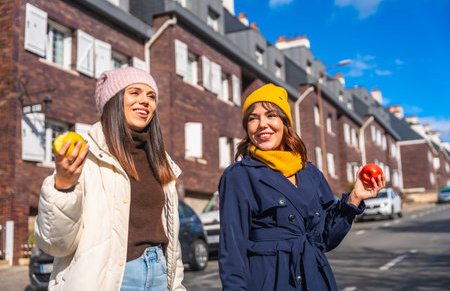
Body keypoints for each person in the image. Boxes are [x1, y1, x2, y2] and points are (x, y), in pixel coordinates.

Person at [218, 83, 385, 291]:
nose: (262, 124)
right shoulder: (239, 176)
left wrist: (354, 199)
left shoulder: (310, 173)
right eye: (253, 118)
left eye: (271, 115)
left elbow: (325, 239)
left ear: (285, 122)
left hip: (315, 280)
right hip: (268, 283)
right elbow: (232, 250)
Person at [35, 67, 185, 291]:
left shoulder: (161, 162)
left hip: (159, 274)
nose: (145, 101)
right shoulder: (86, 155)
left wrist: (177, 285)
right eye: (134, 92)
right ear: (114, 101)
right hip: (110, 280)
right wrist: (63, 187)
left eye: (151, 96)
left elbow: (172, 241)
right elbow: (55, 245)